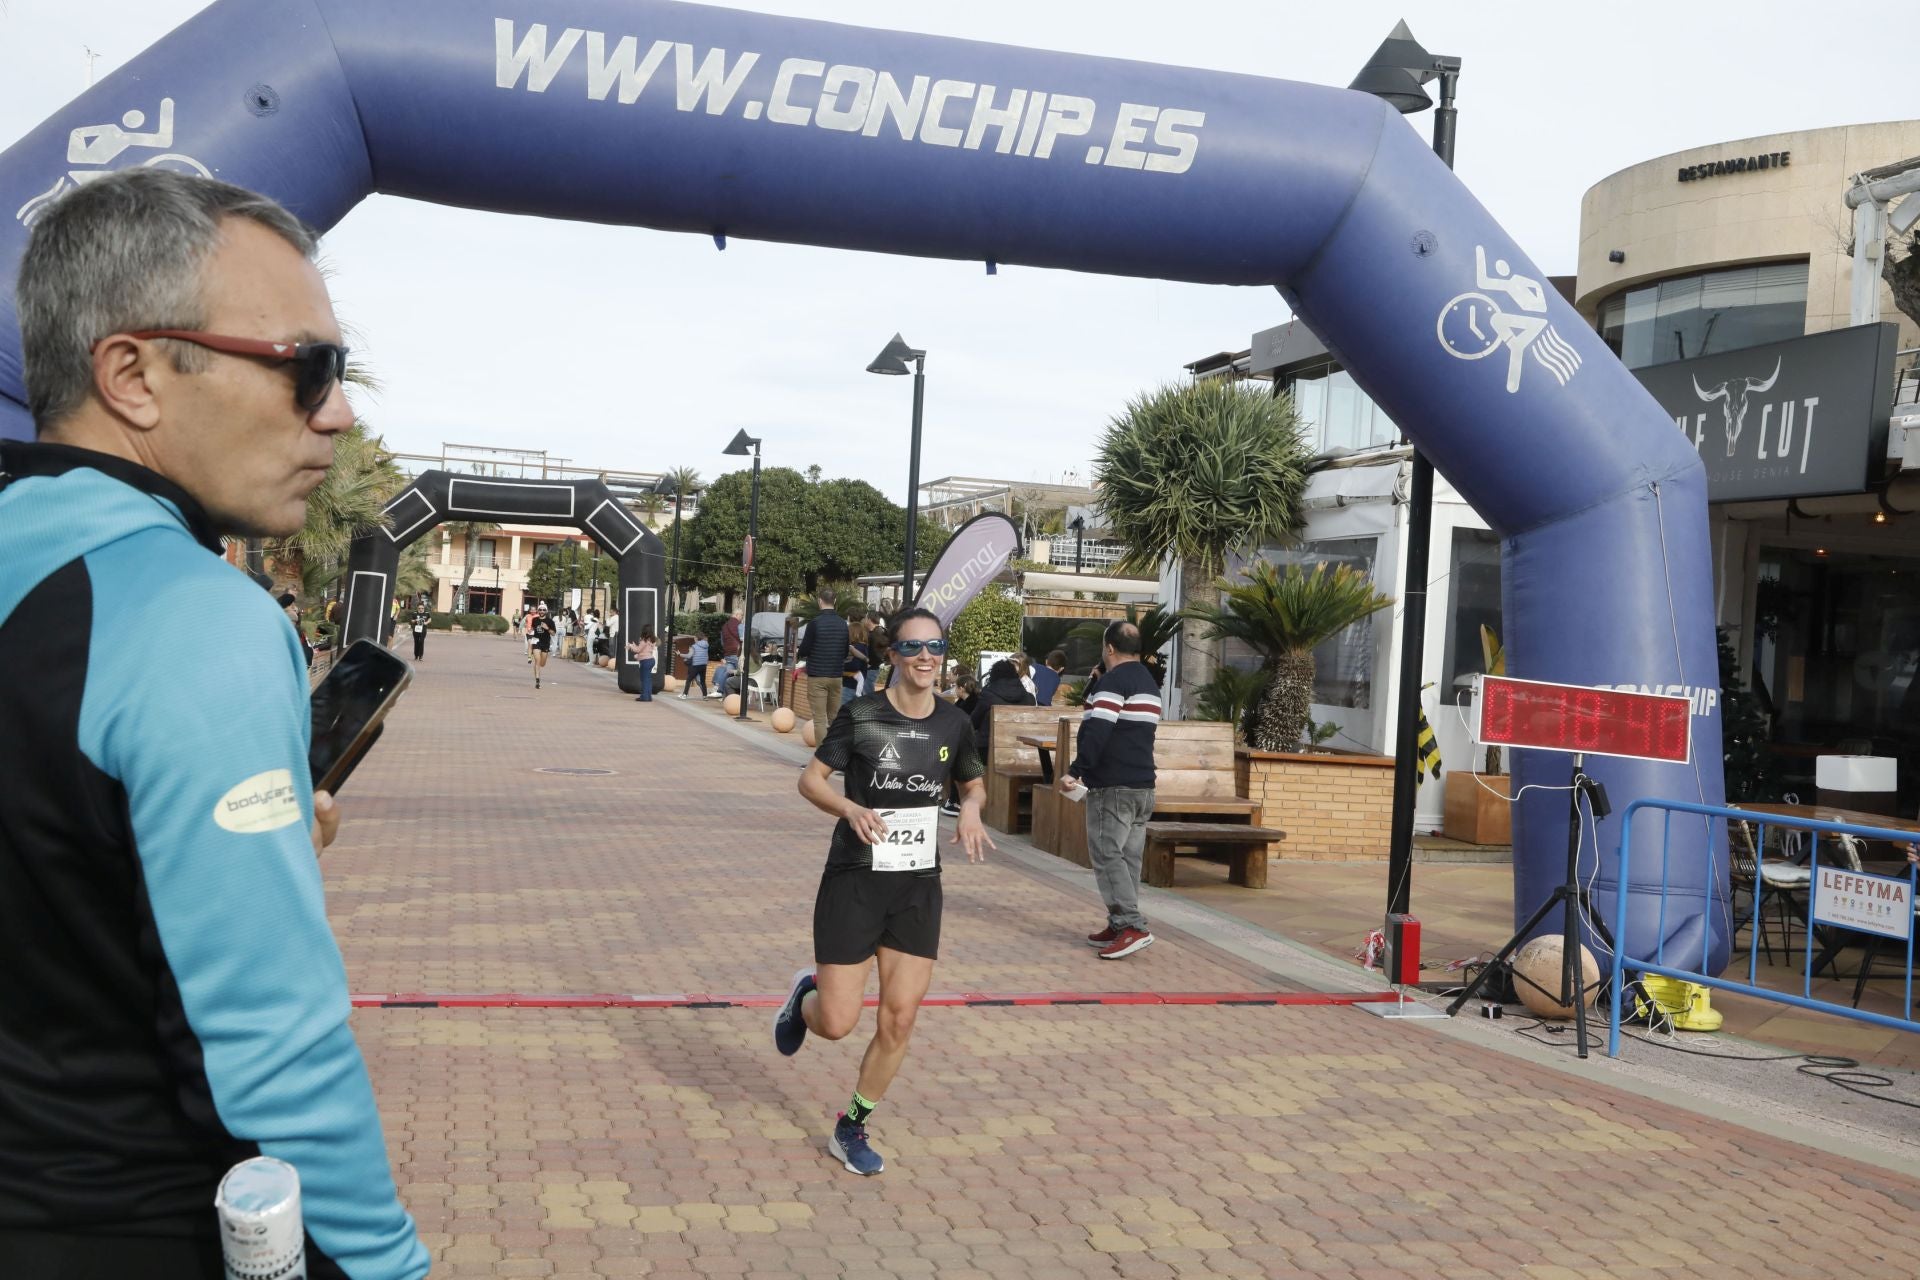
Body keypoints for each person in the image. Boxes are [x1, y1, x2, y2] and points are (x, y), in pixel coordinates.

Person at [0, 169, 426, 1278]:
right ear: (133, 373)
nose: (337, 410)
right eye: (307, 368)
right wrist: (385, 1263)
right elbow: (272, 1058)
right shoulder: (196, 619)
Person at [772, 608, 993, 1177]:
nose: (926, 657)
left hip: (917, 884)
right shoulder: (861, 715)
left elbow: (973, 782)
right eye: (913, 647)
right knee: (839, 1023)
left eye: (935, 647)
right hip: (855, 879)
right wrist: (850, 808)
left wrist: (970, 811)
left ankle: (852, 1126)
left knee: (898, 1019)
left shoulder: (954, 723)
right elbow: (810, 780)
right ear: (891, 655)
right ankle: (805, 997)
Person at [1058, 621, 1160, 960]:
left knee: (1106, 853)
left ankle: (1132, 926)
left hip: (1113, 786)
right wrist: (1096, 686)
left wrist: (1076, 771)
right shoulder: (1147, 682)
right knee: (1127, 858)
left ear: (1109, 649)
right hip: (1142, 786)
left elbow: (1098, 729)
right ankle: (1119, 923)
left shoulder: (1114, 682)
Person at [796, 586, 850, 727]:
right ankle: (833, 749)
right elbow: (845, 651)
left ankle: (822, 749)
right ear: (835, 601)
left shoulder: (814, 623)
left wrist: (801, 654)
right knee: (834, 718)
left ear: (820, 601)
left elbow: (804, 650)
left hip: (817, 676)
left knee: (819, 719)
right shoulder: (843, 624)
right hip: (836, 676)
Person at [970, 657, 1036, 764]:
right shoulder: (1029, 699)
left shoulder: (988, 696)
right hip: (1022, 750)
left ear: (994, 675)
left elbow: (973, 722)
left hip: (988, 750)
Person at [528, 603, 555, 688]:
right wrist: (530, 631)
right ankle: (537, 681)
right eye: (540, 609)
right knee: (537, 660)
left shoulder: (550, 621)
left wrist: (547, 628)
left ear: (546, 611)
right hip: (536, 642)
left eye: (543, 610)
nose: (542, 611)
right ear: (538, 611)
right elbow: (532, 628)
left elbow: (553, 633)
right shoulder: (535, 619)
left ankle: (538, 671)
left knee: (542, 664)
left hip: (545, 643)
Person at [628, 625, 658, 701]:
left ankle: (644, 697)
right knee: (648, 679)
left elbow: (638, 650)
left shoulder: (644, 640)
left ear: (644, 631)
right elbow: (643, 650)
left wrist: (631, 646)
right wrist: (634, 645)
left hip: (645, 661)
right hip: (651, 660)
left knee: (644, 679)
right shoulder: (652, 639)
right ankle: (648, 696)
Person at [681, 632, 710, 699]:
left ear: (697, 638)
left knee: (689, 680)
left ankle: (685, 695)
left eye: (694, 637)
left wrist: (680, 654)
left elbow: (689, 656)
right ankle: (705, 696)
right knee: (702, 681)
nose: (694, 638)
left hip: (696, 665)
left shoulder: (694, 646)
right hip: (703, 665)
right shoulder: (706, 645)